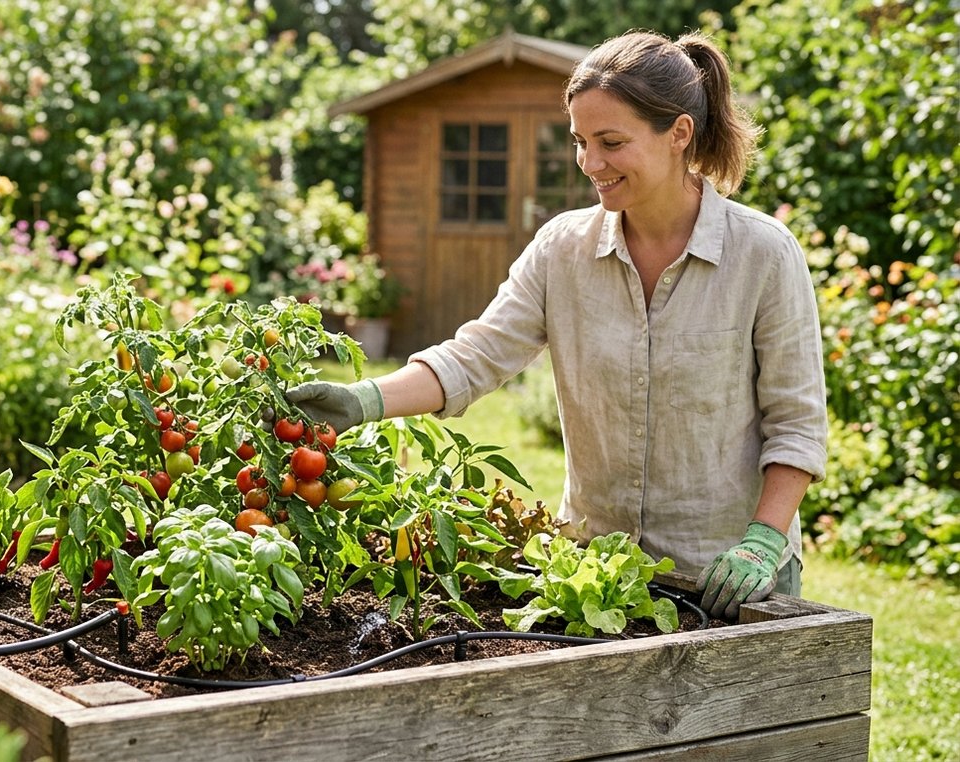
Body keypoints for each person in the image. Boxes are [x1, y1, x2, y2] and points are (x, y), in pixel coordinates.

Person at [287, 30, 828, 621]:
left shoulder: (763, 254)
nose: (590, 164)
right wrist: (362, 400)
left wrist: (763, 541)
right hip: (603, 579)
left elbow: (797, 424)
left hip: (733, 583)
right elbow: (476, 357)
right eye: (580, 140)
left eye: (611, 142)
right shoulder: (561, 249)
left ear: (679, 134)